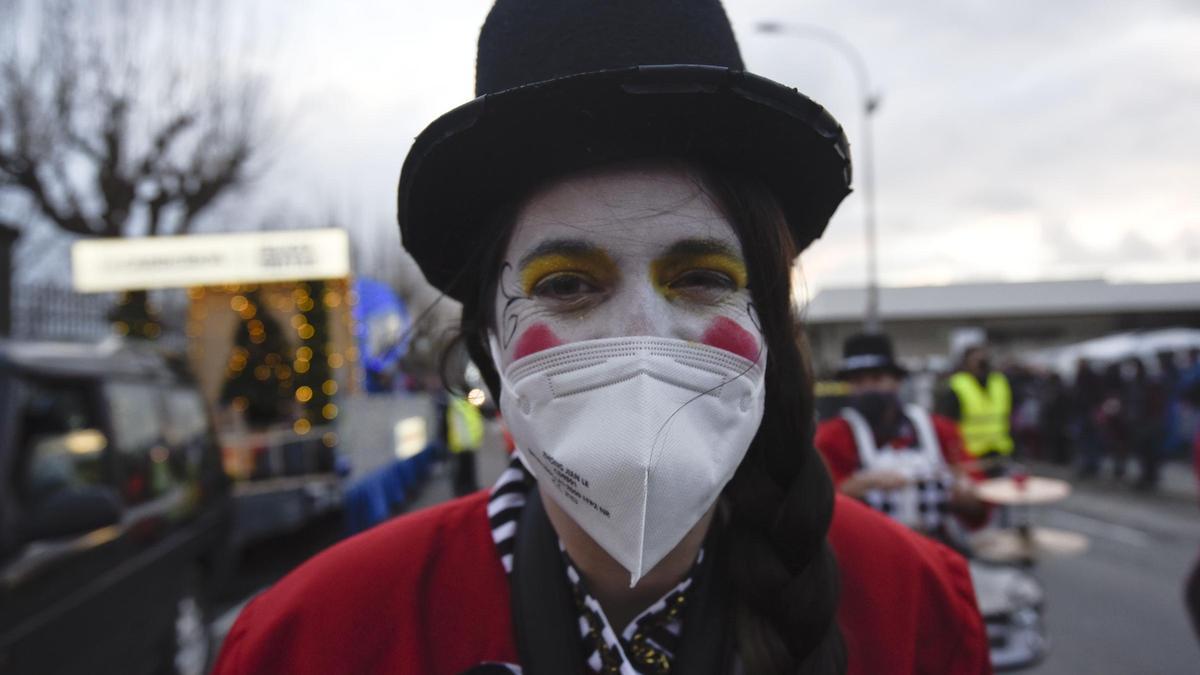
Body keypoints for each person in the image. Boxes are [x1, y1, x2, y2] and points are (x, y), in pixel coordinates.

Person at [213, 2, 989, 673]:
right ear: (490, 335)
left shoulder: (914, 609)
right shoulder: (313, 641)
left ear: (769, 322)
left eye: (703, 277)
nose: (643, 338)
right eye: (566, 285)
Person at [815, 333, 988, 548]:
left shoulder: (938, 429)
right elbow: (817, 504)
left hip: (934, 547)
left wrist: (967, 495)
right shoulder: (832, 436)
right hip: (868, 551)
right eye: (858, 381)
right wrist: (861, 485)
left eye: (877, 379)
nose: (869, 389)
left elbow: (978, 495)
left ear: (897, 381)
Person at [940, 341, 1014, 470]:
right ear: (966, 362)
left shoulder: (999, 381)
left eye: (983, 358)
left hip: (999, 449)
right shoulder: (958, 384)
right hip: (970, 452)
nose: (981, 362)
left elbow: (1007, 414)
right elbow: (948, 423)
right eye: (976, 359)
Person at [447, 394, 485, 496]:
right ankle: (463, 490)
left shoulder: (465, 405)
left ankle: (470, 488)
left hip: (468, 443)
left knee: (469, 468)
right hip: (462, 445)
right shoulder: (459, 406)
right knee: (462, 470)